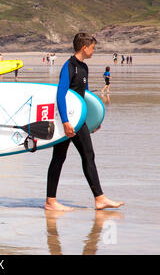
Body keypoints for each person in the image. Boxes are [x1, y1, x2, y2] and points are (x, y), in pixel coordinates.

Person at [45, 33, 124, 211]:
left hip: (79, 120)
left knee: (78, 156)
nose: (93, 51)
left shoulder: (84, 68)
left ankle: (95, 198)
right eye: (93, 48)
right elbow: (61, 94)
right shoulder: (69, 67)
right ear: (84, 47)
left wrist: (93, 121)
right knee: (71, 156)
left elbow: (85, 98)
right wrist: (65, 122)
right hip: (69, 121)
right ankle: (55, 201)